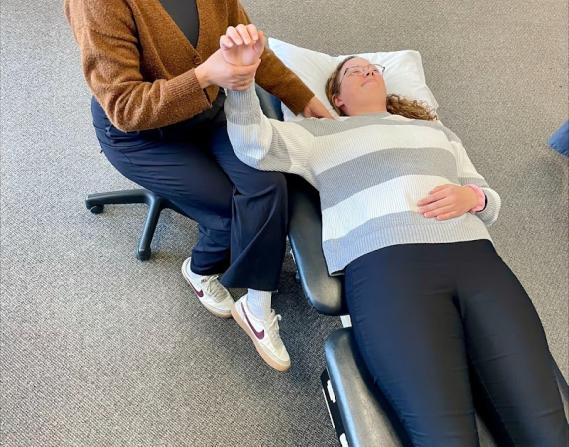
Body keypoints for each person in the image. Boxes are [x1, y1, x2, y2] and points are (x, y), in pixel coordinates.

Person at [220, 30, 569, 446]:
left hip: (478, 264)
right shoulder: (319, 135)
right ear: (338, 98)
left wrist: (472, 196)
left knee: (549, 430)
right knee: (445, 437)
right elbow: (253, 145)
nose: (367, 70)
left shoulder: (437, 131)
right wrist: (240, 83)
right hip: (388, 271)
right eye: (353, 71)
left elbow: (489, 201)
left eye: (373, 67)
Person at [64, 0, 332, 372]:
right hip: (142, 136)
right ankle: (199, 270)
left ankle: (256, 308)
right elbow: (125, 107)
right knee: (230, 213)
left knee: (269, 181)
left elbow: (246, 45)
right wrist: (205, 74)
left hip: (207, 110)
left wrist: (304, 99)